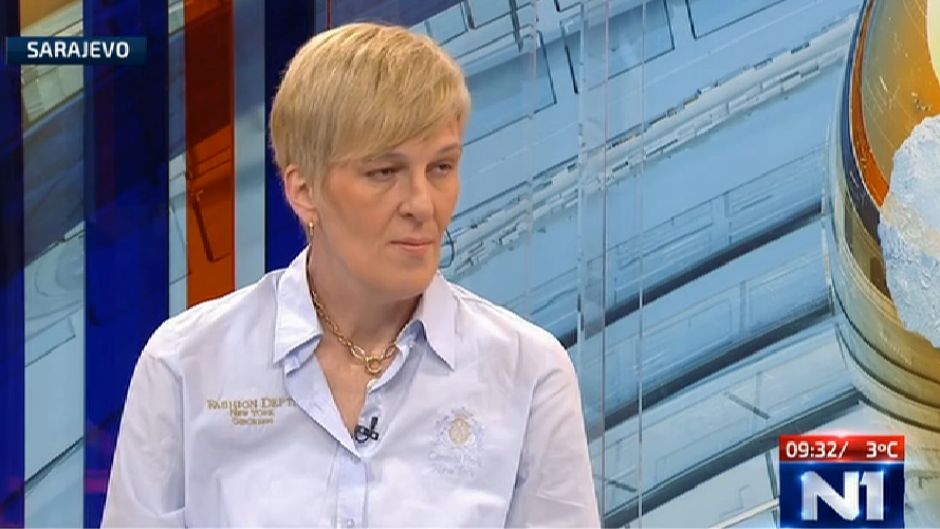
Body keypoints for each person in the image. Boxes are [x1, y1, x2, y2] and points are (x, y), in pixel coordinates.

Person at [101, 22, 600, 528]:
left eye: (441, 168)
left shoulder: (527, 372)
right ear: (303, 191)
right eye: (384, 172)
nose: (422, 205)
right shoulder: (186, 363)